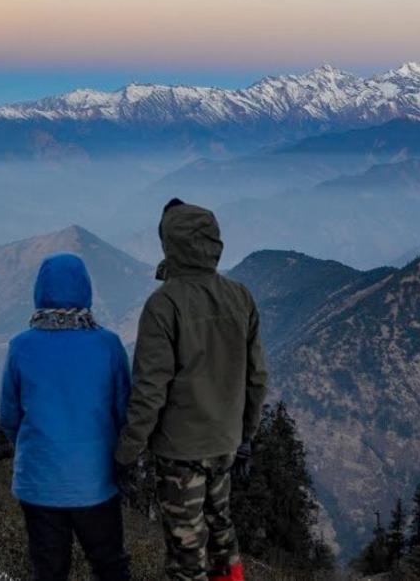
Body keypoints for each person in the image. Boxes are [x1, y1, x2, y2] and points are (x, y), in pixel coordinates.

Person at [115, 199, 268, 581]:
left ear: (171, 244)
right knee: (222, 533)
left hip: (180, 452)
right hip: (225, 442)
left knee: (187, 553)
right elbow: (257, 377)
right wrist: (246, 435)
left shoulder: (163, 305)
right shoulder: (240, 297)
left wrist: (126, 452)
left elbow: (150, 390)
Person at [0, 253, 133, 581]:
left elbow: (9, 415)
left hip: (39, 482)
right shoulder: (109, 345)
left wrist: (37, 448)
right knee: (109, 566)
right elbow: (124, 410)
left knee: (49, 570)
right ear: (85, 289)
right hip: (95, 481)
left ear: (39, 291)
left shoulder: (21, 346)